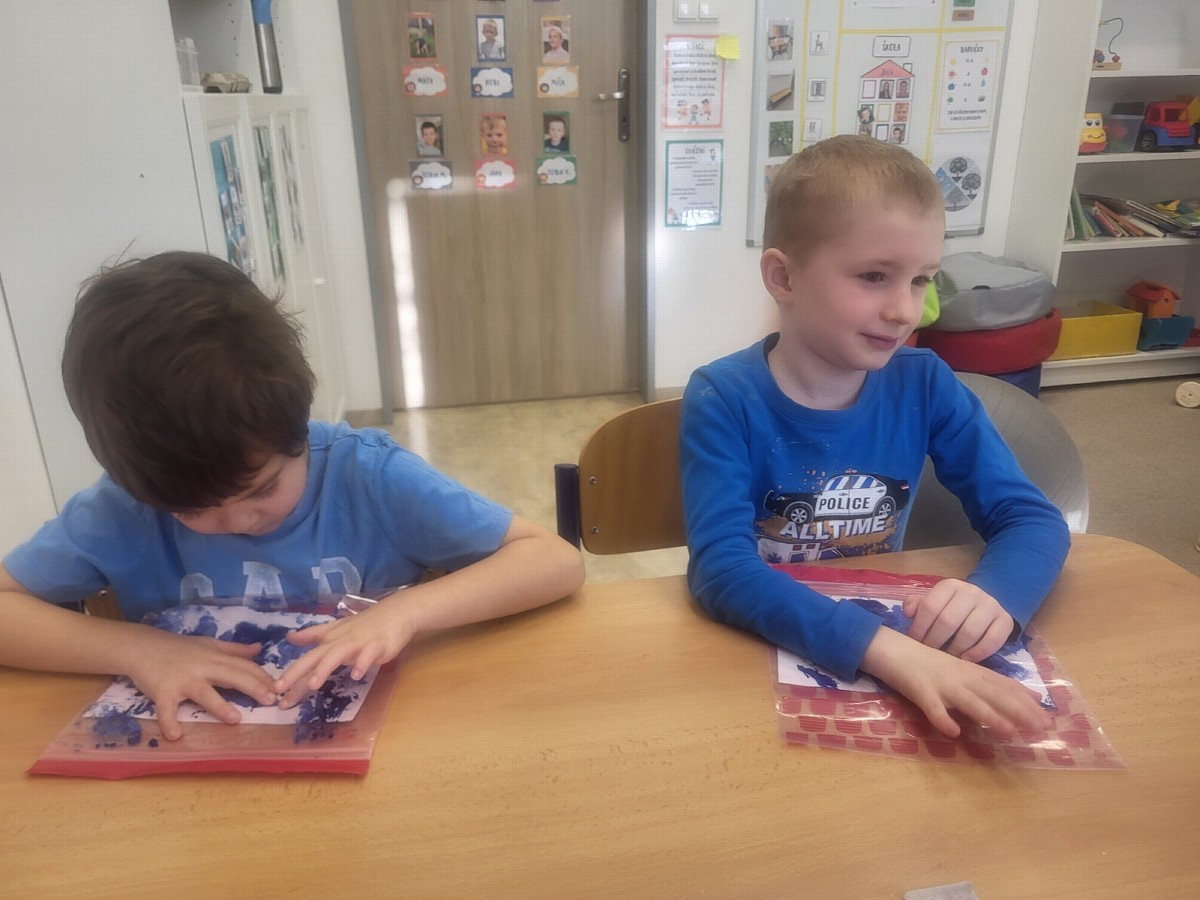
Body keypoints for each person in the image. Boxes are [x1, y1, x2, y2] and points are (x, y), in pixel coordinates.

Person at [0, 252, 585, 741]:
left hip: (380, 754)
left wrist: (404, 613)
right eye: (189, 509)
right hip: (197, 776)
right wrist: (138, 650)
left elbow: (554, 561)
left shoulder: (368, 477)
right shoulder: (123, 509)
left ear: (297, 427)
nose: (235, 521)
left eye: (261, 488)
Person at [680, 135, 1068, 740]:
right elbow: (722, 571)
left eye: (921, 280)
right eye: (874, 276)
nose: (905, 311)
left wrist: (996, 597)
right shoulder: (723, 397)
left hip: (878, 643)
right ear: (783, 277)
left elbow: (1031, 519)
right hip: (757, 650)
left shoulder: (926, 383)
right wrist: (892, 653)